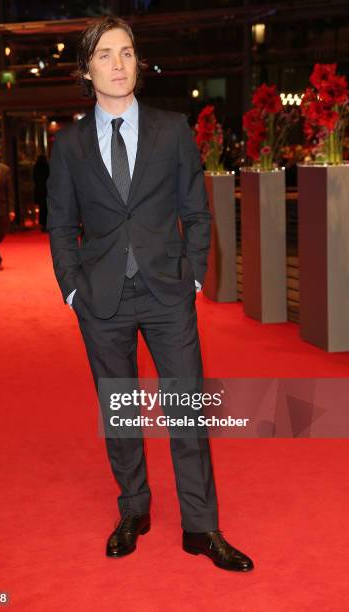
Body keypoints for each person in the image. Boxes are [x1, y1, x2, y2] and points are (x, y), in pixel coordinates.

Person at [47, 16, 253, 571]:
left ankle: (201, 527)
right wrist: (73, 289)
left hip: (168, 294)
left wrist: (191, 277)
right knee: (120, 413)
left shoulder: (172, 128)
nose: (119, 64)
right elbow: (62, 225)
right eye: (106, 55)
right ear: (86, 69)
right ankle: (133, 510)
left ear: (138, 62)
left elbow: (197, 212)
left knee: (187, 412)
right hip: (101, 299)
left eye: (128, 53)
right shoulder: (67, 145)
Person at [33, 154, 50, 231]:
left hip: (39, 190)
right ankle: (47, 223)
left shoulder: (36, 167)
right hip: (47, 190)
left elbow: (34, 178)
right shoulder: (47, 167)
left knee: (41, 207)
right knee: (47, 208)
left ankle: (43, 224)